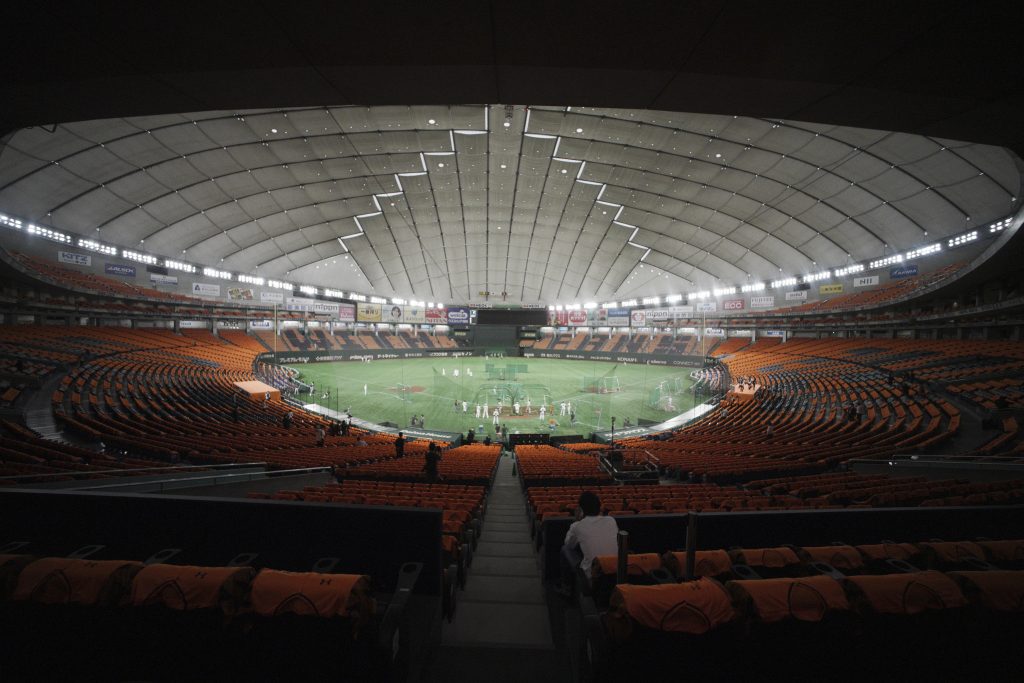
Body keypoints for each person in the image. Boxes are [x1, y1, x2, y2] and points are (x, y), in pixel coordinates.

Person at [558, 491, 618, 596]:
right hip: (616, 574)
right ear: (600, 507)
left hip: (592, 577)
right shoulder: (611, 520)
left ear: (581, 510)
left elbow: (569, 545)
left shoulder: (577, 526)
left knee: (565, 549)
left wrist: (577, 521)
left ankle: (566, 588)